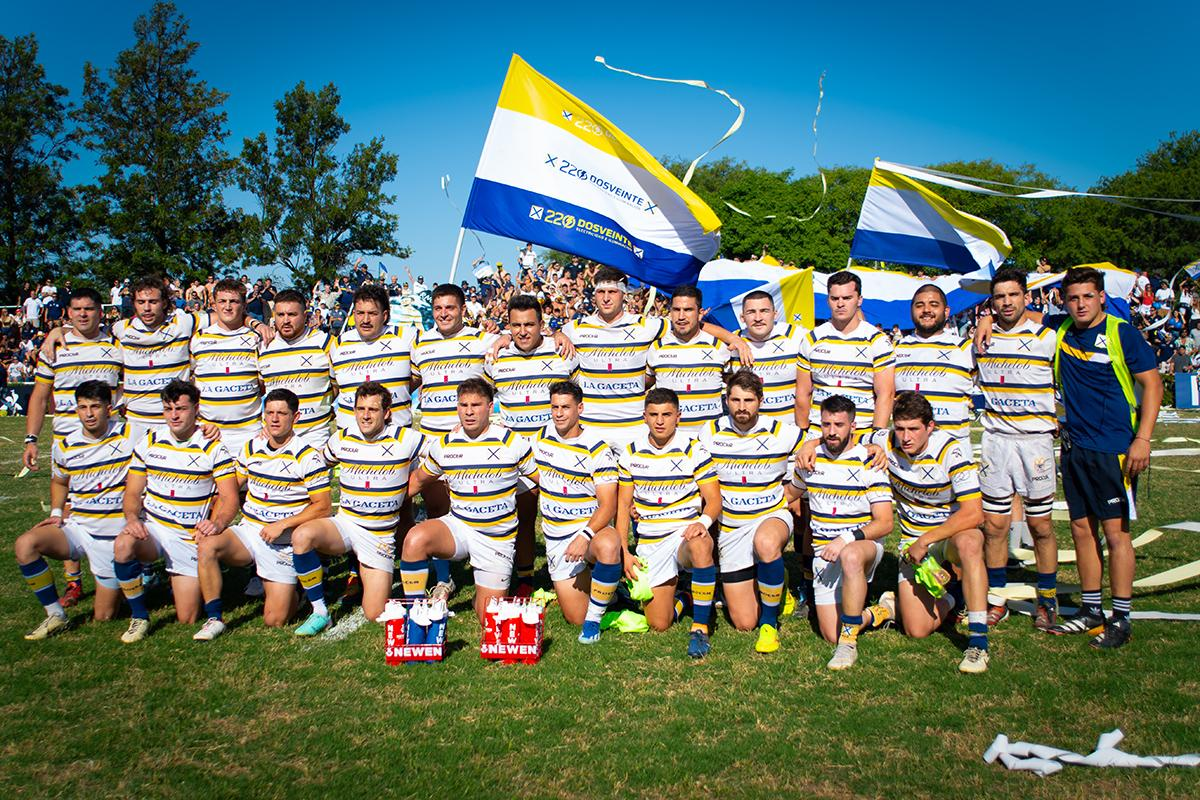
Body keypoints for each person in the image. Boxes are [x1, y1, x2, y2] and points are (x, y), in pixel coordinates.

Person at [1043, 267, 1162, 648]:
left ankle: (1121, 617)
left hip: (1114, 449)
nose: (1080, 304)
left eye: (1087, 297)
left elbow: (1153, 384)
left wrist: (1142, 438)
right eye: (1073, 297)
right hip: (1075, 448)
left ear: (1101, 297)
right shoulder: (1060, 330)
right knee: (1081, 529)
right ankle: (1091, 609)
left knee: (1115, 533)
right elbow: (1018, 316)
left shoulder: (1120, 332)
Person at [193, 389, 332, 640]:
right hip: (250, 530)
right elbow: (231, 487)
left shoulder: (308, 456)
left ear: (296, 417)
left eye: (282, 413)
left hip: (282, 542)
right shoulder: (251, 447)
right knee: (208, 546)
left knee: (275, 620)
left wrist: (283, 524)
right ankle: (214, 618)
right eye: (270, 413)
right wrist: (214, 518)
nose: (275, 419)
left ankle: (298, 589)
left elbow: (322, 506)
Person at [560, 266, 749, 449]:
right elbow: (549, 339)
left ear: (624, 295)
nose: (606, 298)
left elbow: (688, 325)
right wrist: (557, 335)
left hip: (633, 427)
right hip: (592, 425)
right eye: (601, 292)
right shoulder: (574, 329)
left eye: (612, 292)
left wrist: (732, 338)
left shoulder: (646, 326)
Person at [288, 382, 425, 634]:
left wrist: (408, 488)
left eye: (373, 409)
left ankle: (364, 577)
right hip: (346, 525)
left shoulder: (407, 438)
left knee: (374, 613)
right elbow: (313, 462)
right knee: (302, 536)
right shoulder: (341, 438)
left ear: (386, 412)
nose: (365, 415)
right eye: (360, 408)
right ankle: (320, 611)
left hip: (379, 536)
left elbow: (442, 455)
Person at [868, 392, 989, 673]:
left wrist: (926, 540)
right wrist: (812, 443)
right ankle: (954, 596)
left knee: (972, 541)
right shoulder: (884, 441)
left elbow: (974, 512)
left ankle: (978, 643)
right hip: (912, 545)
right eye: (900, 428)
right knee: (917, 630)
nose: (906, 437)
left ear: (930, 427)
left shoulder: (952, 450)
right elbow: (848, 438)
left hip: (946, 537)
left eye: (913, 429)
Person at [400, 379, 539, 622]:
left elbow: (544, 479)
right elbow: (417, 482)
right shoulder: (445, 444)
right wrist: (385, 503)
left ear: (490, 406)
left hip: (496, 538)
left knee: (487, 616)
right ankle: (417, 616)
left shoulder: (512, 442)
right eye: (463, 405)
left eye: (476, 405)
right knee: (415, 539)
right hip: (460, 527)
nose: (469, 411)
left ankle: (483, 593)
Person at [112, 380, 240, 643]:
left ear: (196, 409)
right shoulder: (149, 442)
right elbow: (133, 492)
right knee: (124, 544)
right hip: (155, 530)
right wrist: (133, 519)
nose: (174, 415)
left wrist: (217, 524)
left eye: (180, 408)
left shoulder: (213, 446)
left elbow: (229, 498)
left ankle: (174, 577)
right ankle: (139, 617)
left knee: (187, 616)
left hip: (188, 538)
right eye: (168, 408)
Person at [24, 287, 124, 607]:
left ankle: (125, 569)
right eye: (77, 309)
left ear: (101, 311)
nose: (83, 314)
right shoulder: (56, 347)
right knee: (66, 509)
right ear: (68, 313)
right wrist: (31, 438)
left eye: (90, 309)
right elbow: (40, 396)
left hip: (109, 441)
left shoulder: (116, 343)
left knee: (115, 504)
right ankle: (74, 582)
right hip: (67, 438)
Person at [973, 267, 1060, 629]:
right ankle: (997, 599)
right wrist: (982, 322)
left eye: (1013, 295)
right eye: (999, 297)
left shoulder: (1047, 337)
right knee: (994, 526)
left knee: (1040, 526)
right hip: (996, 442)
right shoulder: (980, 340)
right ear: (991, 302)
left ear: (1026, 296)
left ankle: (1048, 600)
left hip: (1035, 442)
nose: (1006, 302)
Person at [15, 381, 132, 639]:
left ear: (109, 409)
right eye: (82, 407)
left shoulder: (130, 435)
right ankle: (55, 614)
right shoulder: (65, 445)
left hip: (114, 537)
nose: (88, 413)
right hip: (78, 528)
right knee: (25, 545)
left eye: (95, 407)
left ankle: (126, 583)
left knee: (104, 616)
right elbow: (59, 481)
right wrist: (57, 513)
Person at [698, 370, 802, 653]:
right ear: (726, 400)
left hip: (771, 517)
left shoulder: (783, 432)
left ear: (761, 401)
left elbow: (815, 448)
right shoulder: (709, 432)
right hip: (732, 529)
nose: (742, 407)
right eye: (735, 400)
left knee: (766, 543)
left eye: (749, 400)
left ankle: (770, 625)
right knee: (743, 622)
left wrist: (793, 491)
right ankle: (780, 580)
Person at [788, 395, 893, 671]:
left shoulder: (869, 460)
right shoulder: (810, 458)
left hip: (860, 546)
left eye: (839, 424)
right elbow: (789, 495)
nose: (832, 431)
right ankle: (880, 612)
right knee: (828, 634)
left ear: (853, 426)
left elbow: (884, 523)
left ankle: (848, 647)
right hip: (824, 552)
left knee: (850, 556)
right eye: (826, 424)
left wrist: (845, 538)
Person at [617, 387, 721, 659]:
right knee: (658, 624)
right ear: (644, 417)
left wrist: (704, 522)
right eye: (654, 414)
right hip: (650, 540)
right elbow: (621, 506)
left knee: (700, 545)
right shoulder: (631, 453)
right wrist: (624, 553)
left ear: (679, 417)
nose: (660, 421)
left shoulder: (695, 450)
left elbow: (714, 500)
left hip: (683, 534)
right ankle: (686, 598)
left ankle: (700, 627)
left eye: (666, 414)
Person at [485, 294, 578, 596]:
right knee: (524, 518)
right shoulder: (497, 357)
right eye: (515, 325)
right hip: (518, 455)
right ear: (507, 326)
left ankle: (568, 573)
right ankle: (525, 579)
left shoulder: (562, 351)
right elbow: (483, 397)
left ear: (542, 324)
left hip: (559, 452)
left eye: (529, 324)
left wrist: (560, 333)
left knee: (564, 517)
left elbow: (579, 397)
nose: (523, 331)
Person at [531, 381, 623, 642]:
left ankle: (593, 623)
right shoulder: (542, 435)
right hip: (556, 538)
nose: (559, 413)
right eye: (555, 407)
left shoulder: (596, 447)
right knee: (574, 617)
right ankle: (611, 592)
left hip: (587, 531)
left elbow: (609, 505)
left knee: (608, 543)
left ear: (580, 408)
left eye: (566, 407)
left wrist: (584, 535)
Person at [796, 271, 895, 437]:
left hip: (861, 432)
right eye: (835, 299)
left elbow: (886, 394)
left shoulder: (877, 340)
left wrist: (876, 436)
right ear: (828, 300)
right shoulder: (812, 339)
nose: (840, 304)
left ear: (859, 300)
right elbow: (802, 392)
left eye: (847, 298)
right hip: (819, 432)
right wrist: (803, 433)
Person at [646, 286, 732, 437]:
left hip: (709, 438)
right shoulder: (656, 348)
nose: (681, 316)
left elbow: (733, 385)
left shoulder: (719, 347)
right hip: (670, 441)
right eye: (676, 309)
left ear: (700, 313)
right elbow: (644, 384)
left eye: (688, 310)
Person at [893, 284, 975, 441]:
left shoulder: (966, 348)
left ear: (946, 311)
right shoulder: (895, 349)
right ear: (911, 311)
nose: (926, 310)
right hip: (906, 452)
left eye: (934, 305)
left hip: (954, 451)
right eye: (919, 305)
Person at [190, 279, 264, 454]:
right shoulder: (198, 339)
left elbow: (265, 385)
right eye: (222, 301)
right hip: (208, 432)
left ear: (244, 305)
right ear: (213, 305)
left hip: (249, 432)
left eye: (234, 301)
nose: (228, 307)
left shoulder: (256, 338)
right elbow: (191, 383)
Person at [258, 289, 336, 452]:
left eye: (292, 315)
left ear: (305, 315)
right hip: (274, 438)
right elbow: (260, 389)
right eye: (280, 315)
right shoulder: (263, 346)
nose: (285, 320)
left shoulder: (325, 343)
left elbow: (338, 386)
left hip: (315, 437)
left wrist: (324, 409)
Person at [331, 283, 415, 432]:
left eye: (372, 313)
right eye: (360, 313)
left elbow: (420, 377)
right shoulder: (339, 344)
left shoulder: (407, 338)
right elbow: (334, 387)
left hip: (396, 438)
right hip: (349, 441)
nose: (365, 320)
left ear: (385, 315)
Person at [729, 290, 808, 424]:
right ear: (742, 317)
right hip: (748, 431)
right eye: (751, 312)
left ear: (775, 314)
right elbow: (699, 328)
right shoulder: (732, 342)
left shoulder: (798, 336)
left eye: (764, 311)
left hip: (788, 429)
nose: (758, 318)